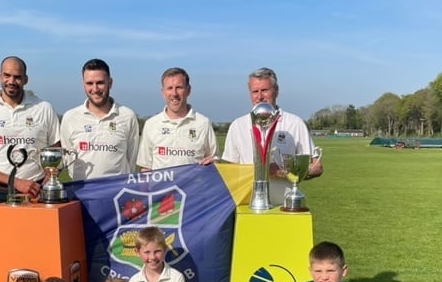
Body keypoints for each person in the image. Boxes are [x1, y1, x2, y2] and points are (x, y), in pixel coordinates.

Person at [0, 56, 60, 244]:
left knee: (38, 252)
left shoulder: (43, 108)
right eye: (7, 75)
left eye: (17, 77)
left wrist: (48, 182)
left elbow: (56, 153)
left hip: (35, 195)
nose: (11, 81)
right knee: (1, 256)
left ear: (25, 79)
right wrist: (16, 182)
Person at [222, 67, 323, 206]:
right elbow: (233, 173)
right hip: (247, 207)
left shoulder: (294, 123)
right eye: (255, 92)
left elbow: (317, 167)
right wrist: (263, 171)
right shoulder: (237, 126)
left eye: (265, 90)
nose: (260, 97)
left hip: (285, 207)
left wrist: (286, 172)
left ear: (276, 91)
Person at [60, 58, 140, 180]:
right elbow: (69, 161)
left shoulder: (128, 116)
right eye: (89, 83)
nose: (95, 89)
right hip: (81, 194)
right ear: (83, 85)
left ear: (110, 83)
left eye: (100, 83)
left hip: (116, 194)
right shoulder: (70, 117)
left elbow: (131, 160)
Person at [137, 67, 218, 171]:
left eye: (179, 87)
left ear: (188, 90)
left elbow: (214, 161)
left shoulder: (203, 123)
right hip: (161, 188)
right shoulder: (151, 124)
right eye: (169, 88)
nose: (174, 93)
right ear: (163, 92)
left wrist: (214, 162)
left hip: (193, 187)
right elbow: (146, 168)